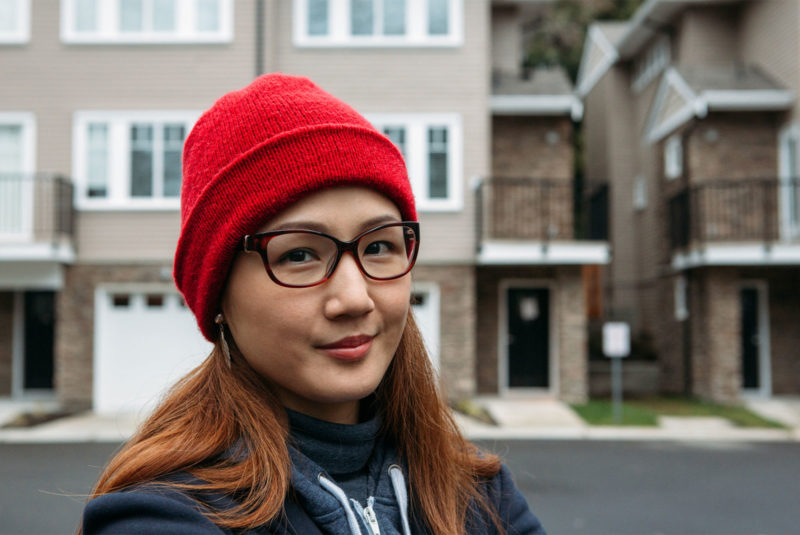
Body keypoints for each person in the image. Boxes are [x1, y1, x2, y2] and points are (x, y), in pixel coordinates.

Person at [81, 73, 546, 535]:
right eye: (299, 254)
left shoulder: (478, 492)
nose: (354, 298)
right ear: (219, 294)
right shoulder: (166, 514)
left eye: (379, 246)